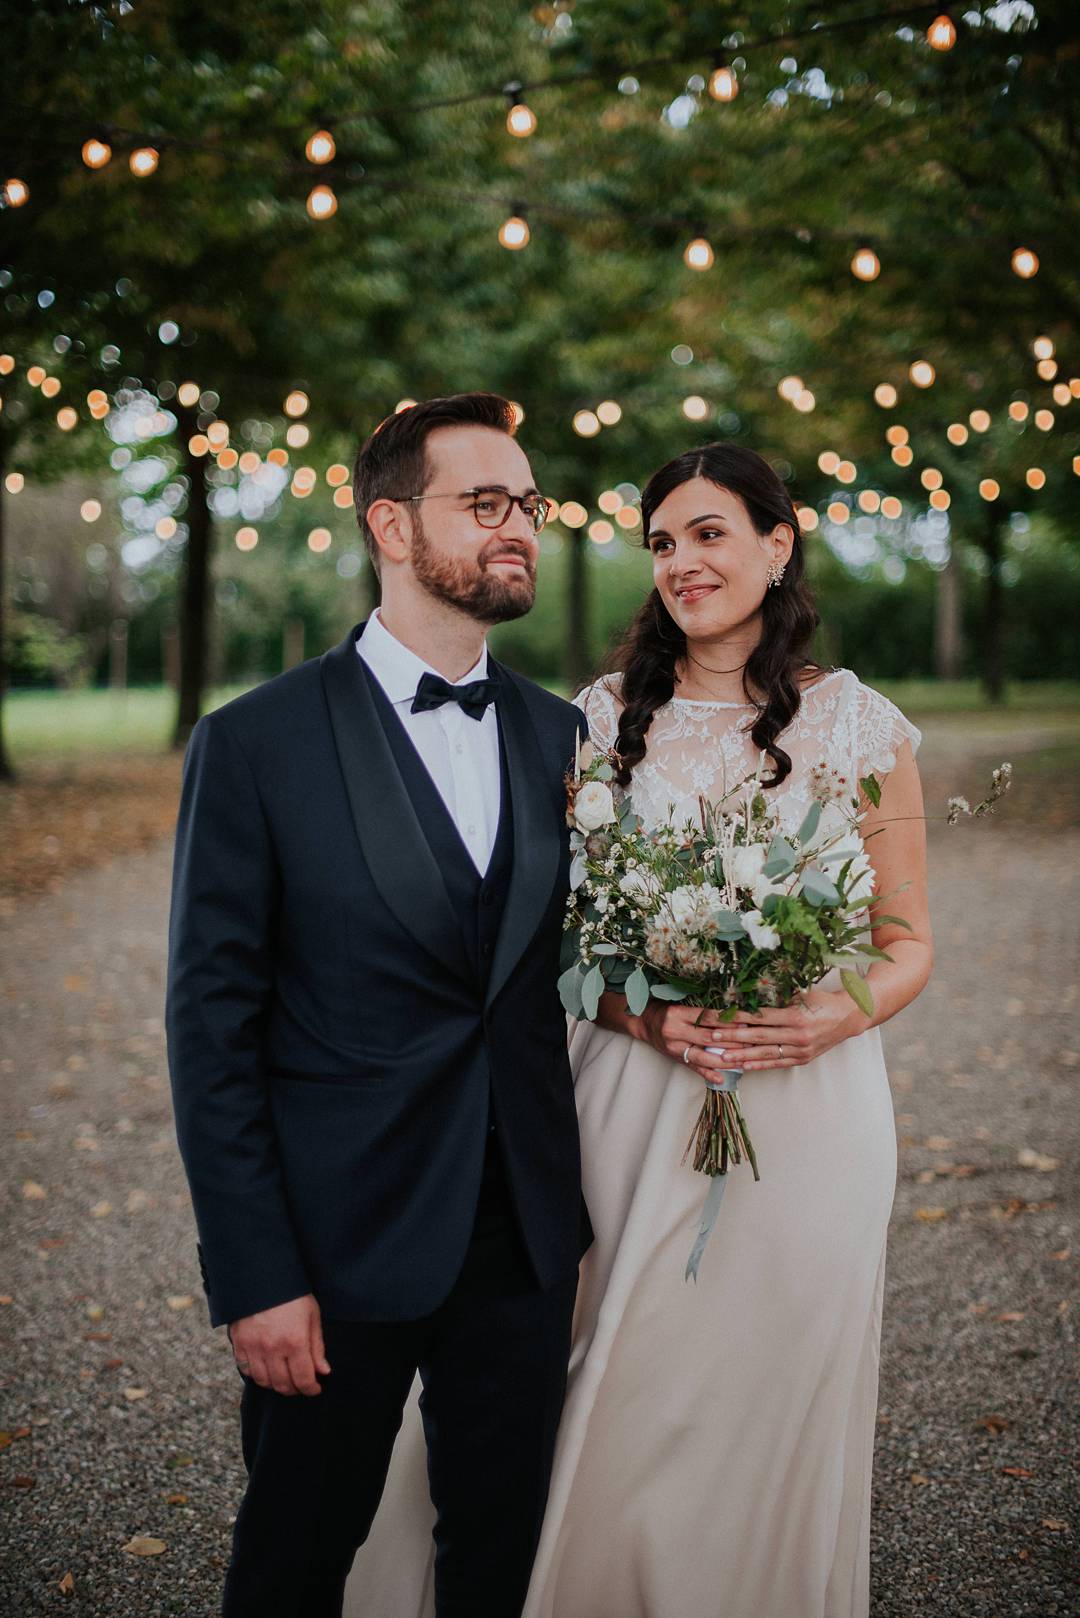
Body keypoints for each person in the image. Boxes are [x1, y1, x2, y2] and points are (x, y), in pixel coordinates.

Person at [345, 441, 933, 1618]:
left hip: (812, 1114)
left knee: (769, 1386)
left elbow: (908, 938)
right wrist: (647, 1013)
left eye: (710, 533)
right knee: (620, 1366)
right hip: (631, 1095)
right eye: (662, 542)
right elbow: (547, 944)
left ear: (780, 543)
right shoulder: (596, 722)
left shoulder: (863, 726)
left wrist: (813, 1024)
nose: (681, 562)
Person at [165, 391, 590, 1618]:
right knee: (295, 1560)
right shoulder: (253, 744)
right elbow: (211, 1030)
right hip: (333, 1245)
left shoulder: (564, 739)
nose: (519, 527)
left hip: (521, 1237)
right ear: (392, 528)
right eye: (487, 503)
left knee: (497, 1561)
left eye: (530, 504)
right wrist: (255, 1273)